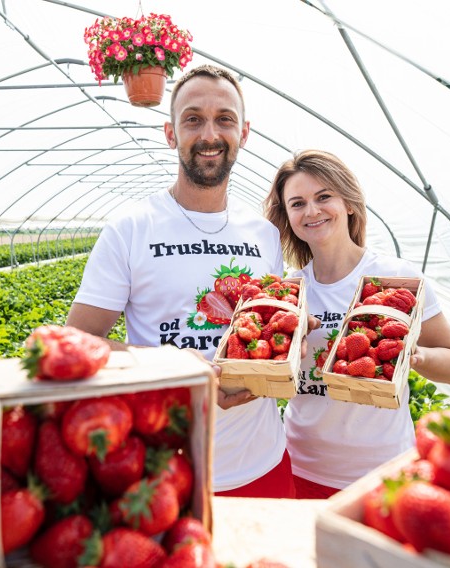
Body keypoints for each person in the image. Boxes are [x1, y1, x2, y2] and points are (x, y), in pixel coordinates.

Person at [66, 65, 296, 498]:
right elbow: (77, 341)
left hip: (263, 462)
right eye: (193, 119)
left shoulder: (265, 235)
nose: (210, 133)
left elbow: (266, 331)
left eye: (224, 119)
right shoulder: (131, 229)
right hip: (165, 471)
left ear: (244, 133)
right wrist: (174, 366)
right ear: (170, 133)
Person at [263, 149, 450, 499]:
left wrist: (414, 356)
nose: (311, 211)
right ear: (287, 216)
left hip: (383, 469)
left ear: (350, 204)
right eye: (297, 203)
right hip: (300, 465)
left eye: (323, 197)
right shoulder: (289, 291)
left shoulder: (396, 279)